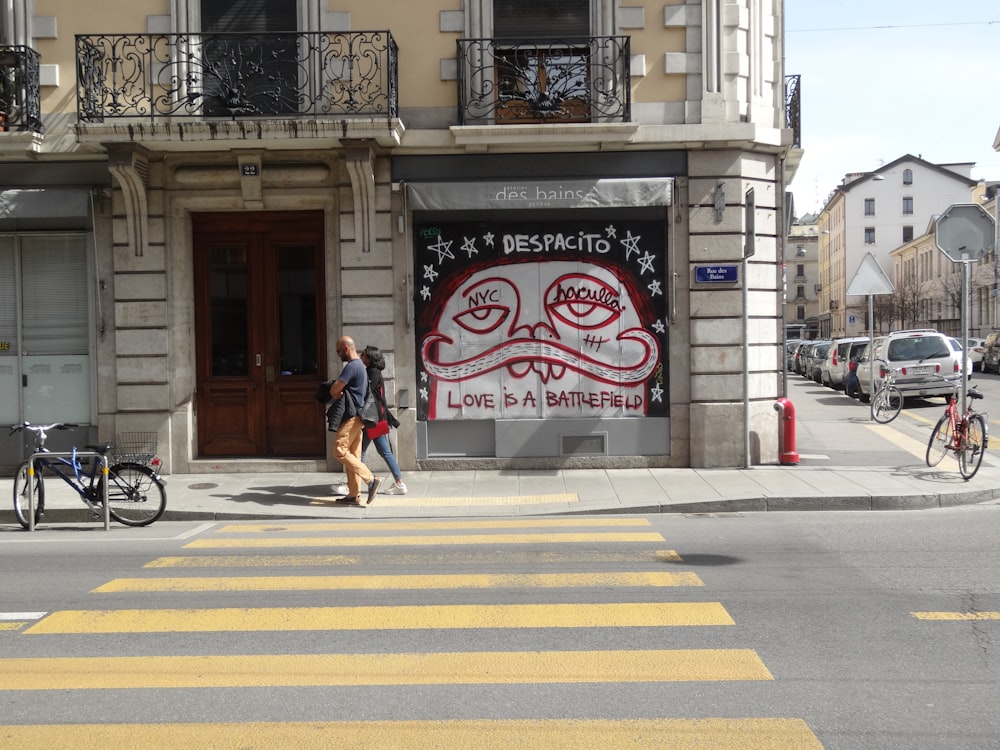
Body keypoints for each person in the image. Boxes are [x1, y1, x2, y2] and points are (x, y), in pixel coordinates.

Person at [334, 345, 407, 496]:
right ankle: (353, 484)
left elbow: (366, 392)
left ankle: (397, 483)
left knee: (377, 452)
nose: (361, 357)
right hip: (374, 418)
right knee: (363, 452)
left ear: (370, 358)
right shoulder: (373, 371)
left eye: (364, 355)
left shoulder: (373, 372)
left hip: (373, 418)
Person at [328, 335, 381, 505]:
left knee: (339, 450)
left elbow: (335, 389)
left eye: (338, 351)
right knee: (353, 455)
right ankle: (353, 494)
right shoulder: (360, 366)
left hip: (352, 416)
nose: (337, 354)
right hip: (359, 417)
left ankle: (371, 480)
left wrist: (336, 390)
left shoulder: (352, 366)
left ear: (346, 348)